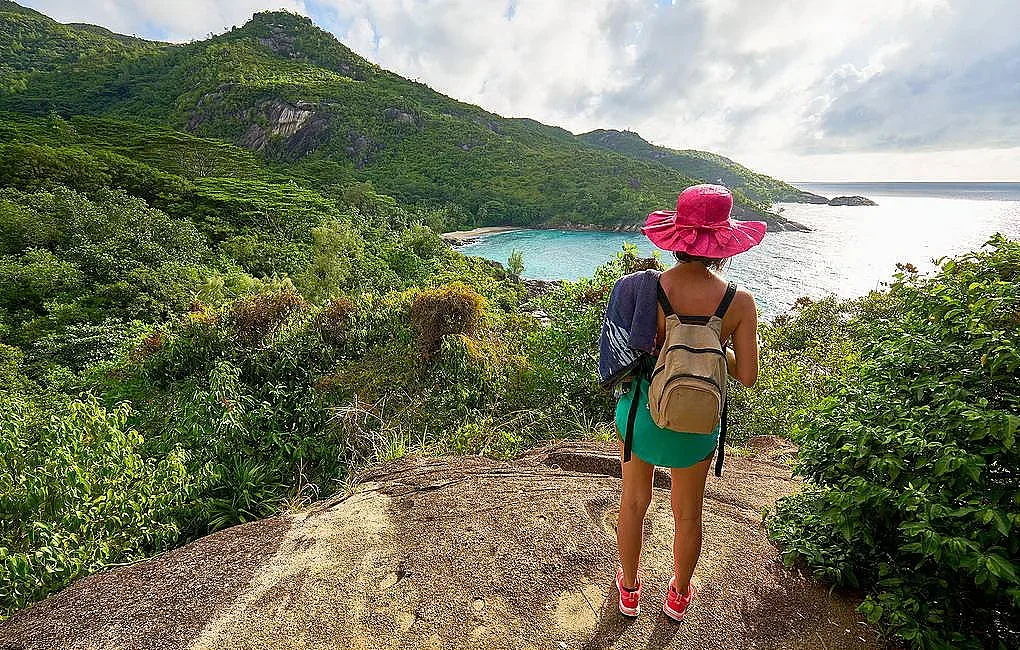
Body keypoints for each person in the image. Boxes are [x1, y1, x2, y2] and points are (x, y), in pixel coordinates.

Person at [598, 184, 764, 621]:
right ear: (723, 244)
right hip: (698, 424)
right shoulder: (739, 302)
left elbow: (627, 351)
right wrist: (713, 341)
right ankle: (678, 595)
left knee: (634, 501)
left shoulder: (646, 290)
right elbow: (747, 376)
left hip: (642, 418)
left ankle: (629, 589)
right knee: (689, 514)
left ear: (677, 238)